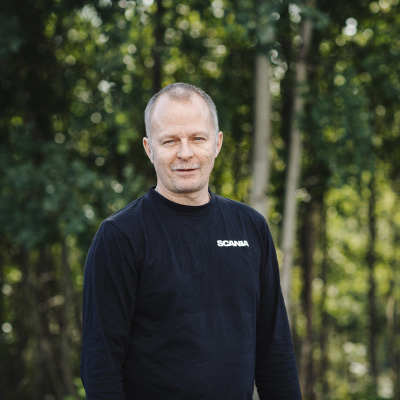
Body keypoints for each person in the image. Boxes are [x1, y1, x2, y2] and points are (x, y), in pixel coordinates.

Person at [81, 83, 302, 399]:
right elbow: (101, 363)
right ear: (149, 148)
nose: (185, 153)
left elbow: (275, 351)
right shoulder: (120, 236)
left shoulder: (250, 227)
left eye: (198, 138)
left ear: (217, 143)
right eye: (170, 140)